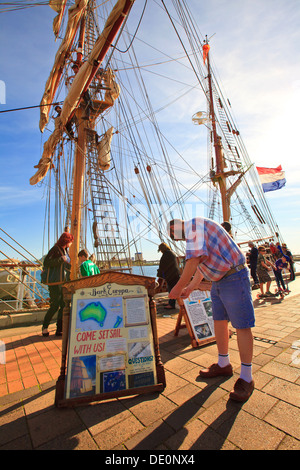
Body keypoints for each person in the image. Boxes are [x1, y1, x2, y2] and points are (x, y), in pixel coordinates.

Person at [167, 217, 255, 402]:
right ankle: (224, 364)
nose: (178, 240)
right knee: (219, 322)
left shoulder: (194, 226)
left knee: (242, 325)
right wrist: (190, 288)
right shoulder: (198, 231)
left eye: (174, 236)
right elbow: (200, 267)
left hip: (234, 275)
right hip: (219, 280)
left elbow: (193, 262)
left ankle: (247, 377)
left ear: (176, 226)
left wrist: (176, 288)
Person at [42, 231, 74, 337]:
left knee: (63, 305)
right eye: (71, 241)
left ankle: (59, 329)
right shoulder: (56, 249)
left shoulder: (65, 250)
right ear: (67, 240)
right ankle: (45, 327)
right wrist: (61, 259)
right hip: (55, 282)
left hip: (63, 282)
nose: (71, 243)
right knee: (55, 305)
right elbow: (46, 262)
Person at [157, 242, 181, 310]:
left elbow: (162, 266)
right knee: (171, 289)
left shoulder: (166, 254)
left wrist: (160, 274)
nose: (161, 251)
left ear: (162, 249)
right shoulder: (171, 253)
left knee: (171, 290)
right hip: (174, 274)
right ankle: (170, 302)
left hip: (171, 275)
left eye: (160, 250)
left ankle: (171, 305)